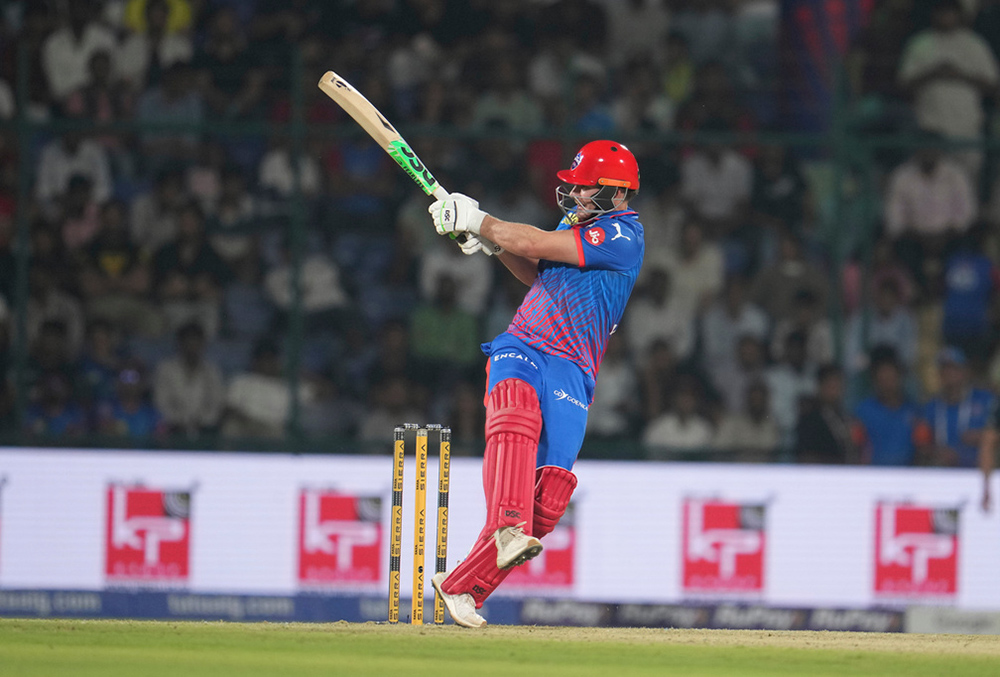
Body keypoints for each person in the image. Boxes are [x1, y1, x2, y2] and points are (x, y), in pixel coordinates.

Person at [425, 140, 644, 628]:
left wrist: (480, 221)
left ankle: (461, 588)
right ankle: (506, 527)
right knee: (515, 414)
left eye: (585, 189)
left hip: (574, 370)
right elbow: (538, 272)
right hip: (524, 345)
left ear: (616, 192)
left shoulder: (623, 235)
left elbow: (533, 244)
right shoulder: (577, 224)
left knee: (549, 499)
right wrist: (490, 242)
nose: (575, 196)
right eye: (575, 187)